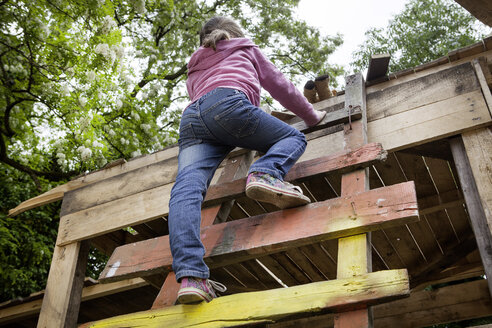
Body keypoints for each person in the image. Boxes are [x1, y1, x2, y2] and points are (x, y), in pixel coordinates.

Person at [168, 16, 326, 304]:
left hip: (192, 121)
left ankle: (191, 277)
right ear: (233, 32)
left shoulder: (195, 63)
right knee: (292, 139)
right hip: (228, 105)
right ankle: (264, 173)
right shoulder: (245, 48)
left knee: (186, 190)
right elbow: (281, 86)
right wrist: (312, 116)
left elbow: (201, 99)